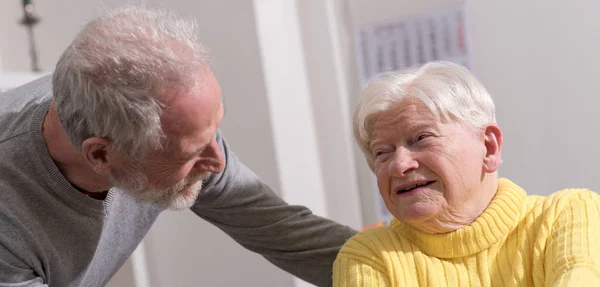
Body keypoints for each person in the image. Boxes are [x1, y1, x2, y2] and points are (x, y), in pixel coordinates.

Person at [0, 7, 356, 287]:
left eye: (214, 131)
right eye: (190, 154)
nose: (217, 162)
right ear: (101, 154)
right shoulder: (9, 217)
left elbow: (284, 231)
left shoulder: (155, 124)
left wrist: (396, 265)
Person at [333, 61, 600, 286]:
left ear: (488, 147)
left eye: (421, 138)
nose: (399, 165)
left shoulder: (565, 214)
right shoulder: (369, 255)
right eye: (382, 153)